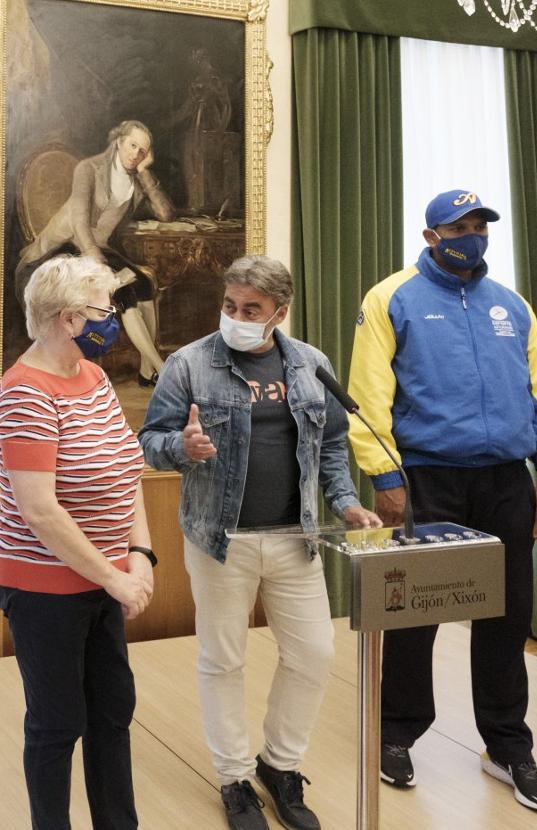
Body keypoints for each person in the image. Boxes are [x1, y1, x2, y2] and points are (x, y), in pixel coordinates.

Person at [347, 189, 537, 812]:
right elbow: (368, 398)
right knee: (416, 613)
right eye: (458, 227)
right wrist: (387, 479)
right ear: (430, 237)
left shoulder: (512, 306)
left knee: (507, 616)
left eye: (480, 226)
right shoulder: (392, 299)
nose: (472, 236)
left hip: (505, 479)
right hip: (428, 479)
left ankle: (507, 747)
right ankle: (397, 735)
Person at [139, 255, 381, 830]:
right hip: (220, 540)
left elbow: (329, 449)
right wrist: (182, 449)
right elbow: (151, 440)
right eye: (230, 306)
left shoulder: (310, 366)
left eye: (251, 309)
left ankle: (280, 765)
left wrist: (345, 501)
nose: (237, 317)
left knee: (315, 655)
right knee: (223, 659)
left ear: (280, 311)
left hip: (298, 538)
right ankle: (234, 778)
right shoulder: (189, 364)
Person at [0, 254, 155, 830]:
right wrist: (114, 576)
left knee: (112, 713)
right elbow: (39, 510)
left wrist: (140, 552)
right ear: (67, 318)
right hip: (45, 589)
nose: (112, 318)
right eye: (103, 309)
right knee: (58, 724)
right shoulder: (24, 392)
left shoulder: (92, 374)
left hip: (108, 579)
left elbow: (125, 467)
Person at [15, 120, 174, 386]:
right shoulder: (88, 168)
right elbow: (79, 222)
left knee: (143, 283)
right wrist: (98, 263)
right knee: (124, 290)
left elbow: (166, 214)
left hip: (96, 248)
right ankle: (163, 369)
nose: (136, 154)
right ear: (119, 141)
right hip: (62, 248)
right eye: (132, 145)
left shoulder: (136, 178)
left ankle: (148, 370)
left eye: (143, 151)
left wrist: (146, 174)